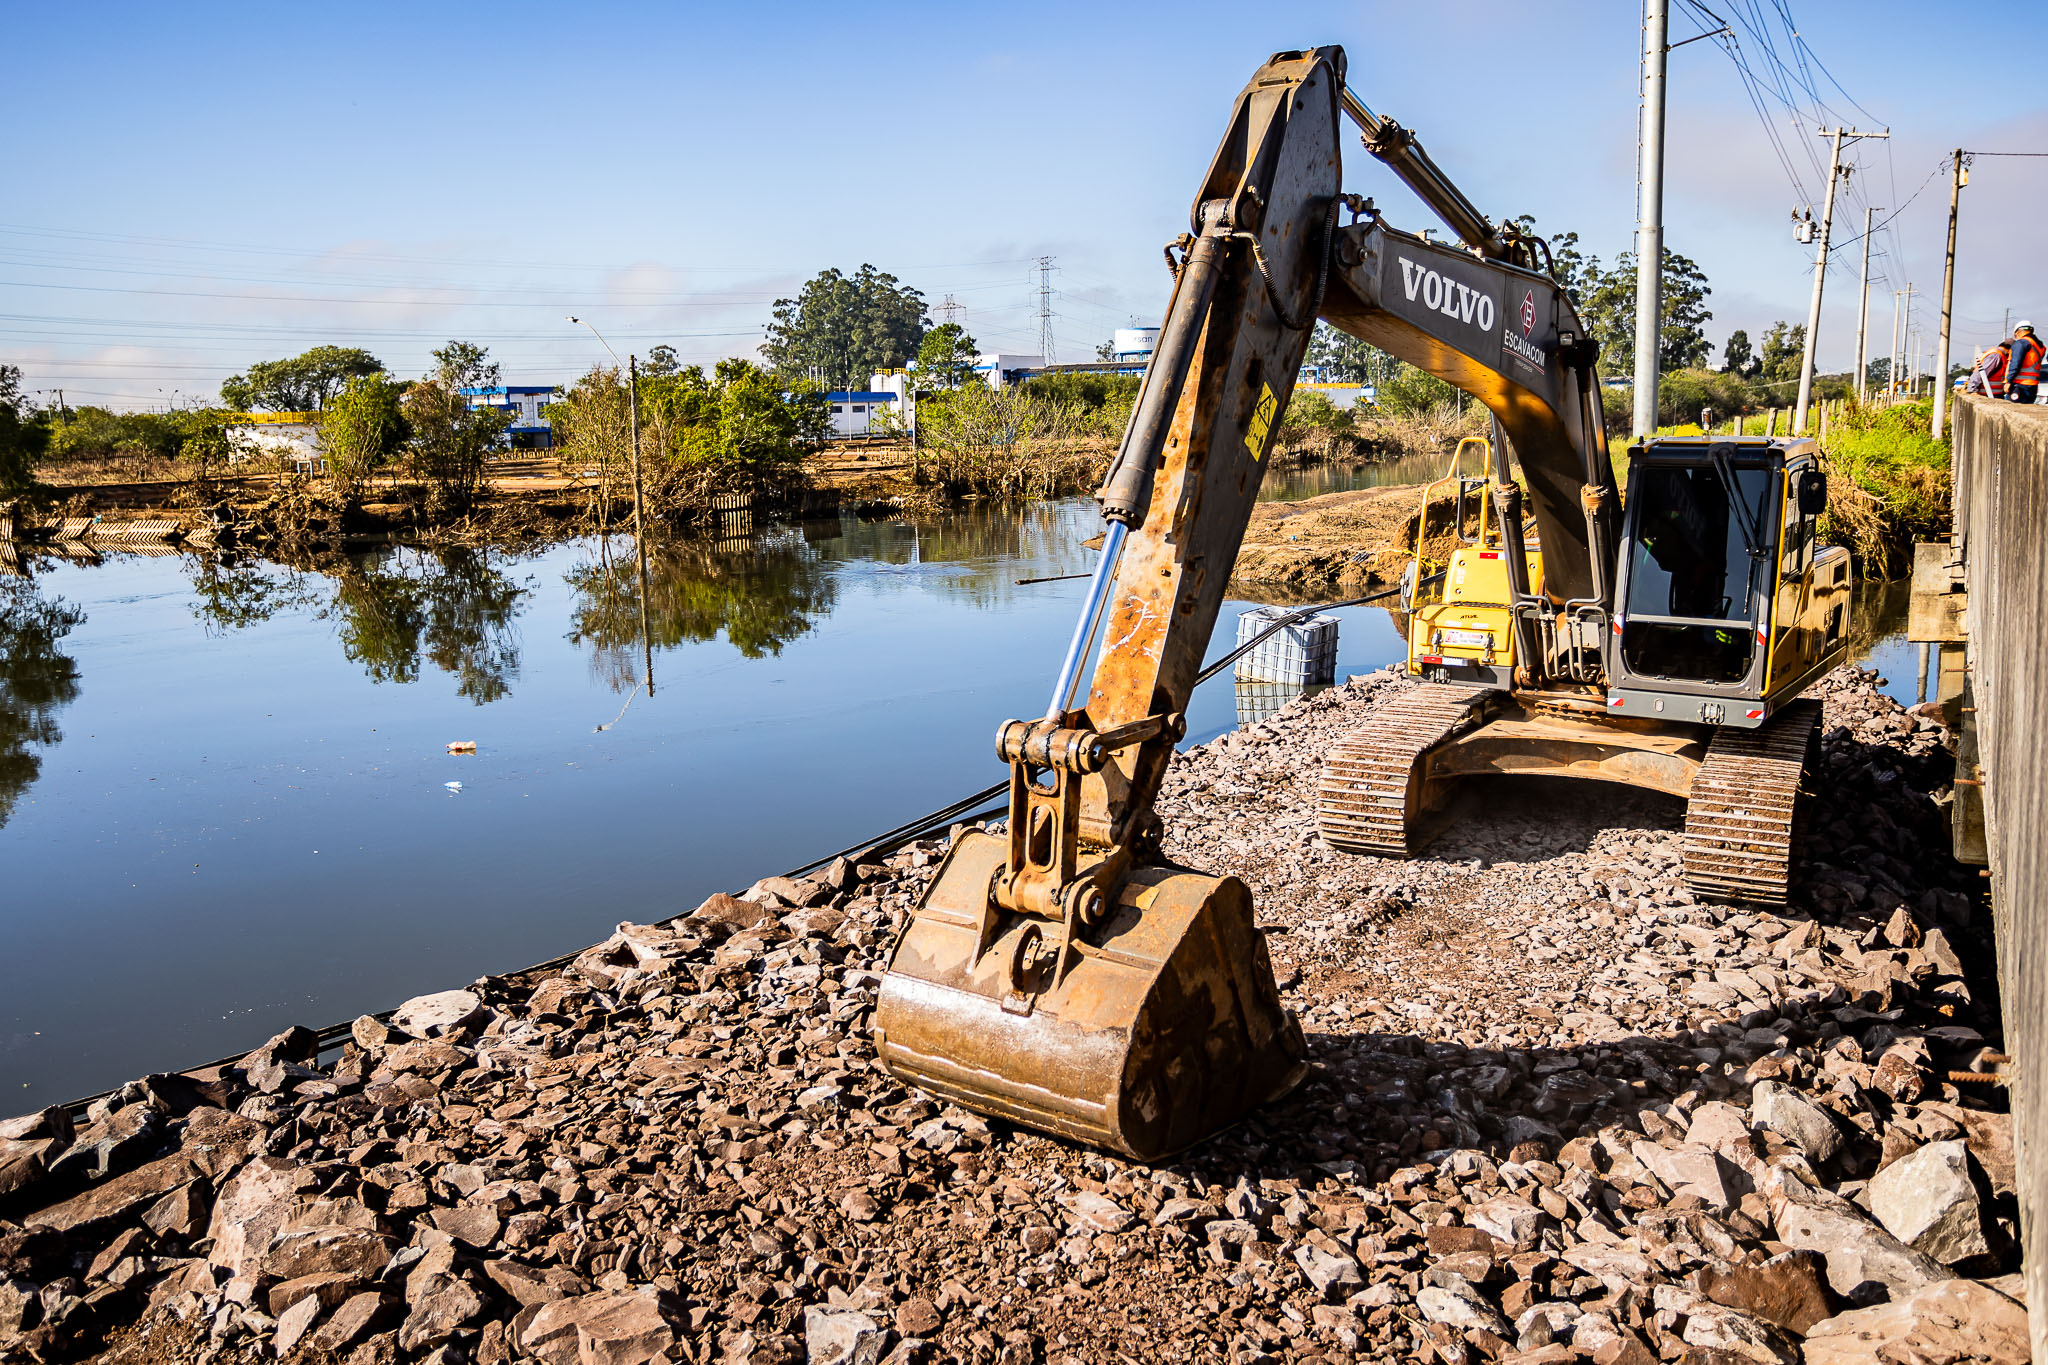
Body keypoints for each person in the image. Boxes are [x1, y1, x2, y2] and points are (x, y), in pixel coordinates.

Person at [1999, 322, 2042, 404]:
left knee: (2010, 411)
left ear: (2018, 332)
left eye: (2015, 335)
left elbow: (2015, 363)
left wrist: (2008, 381)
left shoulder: (2021, 343)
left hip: (2019, 385)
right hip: (2032, 386)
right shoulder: (2038, 345)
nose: (2016, 337)